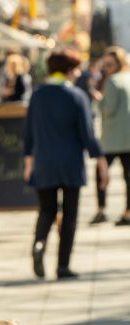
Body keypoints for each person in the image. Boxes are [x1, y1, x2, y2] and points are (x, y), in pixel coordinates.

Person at [24, 48, 108, 280]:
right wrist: (101, 161)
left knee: (47, 210)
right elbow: (87, 134)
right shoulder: (77, 97)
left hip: (44, 162)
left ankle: (39, 242)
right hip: (71, 164)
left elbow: (29, 132)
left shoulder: (38, 95)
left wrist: (28, 162)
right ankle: (63, 266)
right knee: (69, 216)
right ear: (70, 70)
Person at [89, 46, 130, 226]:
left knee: (100, 174)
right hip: (127, 137)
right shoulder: (128, 78)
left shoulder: (112, 81)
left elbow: (108, 108)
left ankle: (102, 209)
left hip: (112, 139)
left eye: (109, 64)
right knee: (128, 177)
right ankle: (128, 212)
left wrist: (99, 99)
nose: (106, 68)